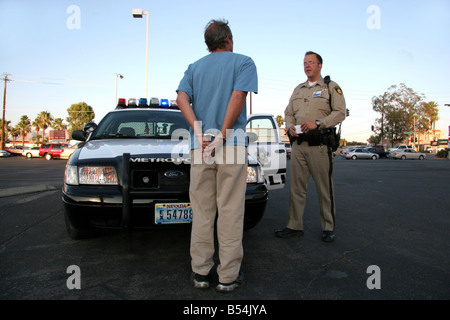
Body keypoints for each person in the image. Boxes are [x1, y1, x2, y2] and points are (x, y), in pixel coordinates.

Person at [176, 19, 258, 292]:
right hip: (231, 144)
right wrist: (223, 133)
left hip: (200, 147)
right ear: (229, 39)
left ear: (208, 44)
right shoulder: (244, 62)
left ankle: (200, 273)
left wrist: (199, 133)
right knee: (230, 211)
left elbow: (181, 99)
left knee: (202, 211)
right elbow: (238, 97)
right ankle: (227, 277)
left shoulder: (193, 68)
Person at [275, 51, 346, 242]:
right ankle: (294, 225)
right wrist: (289, 127)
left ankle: (328, 227)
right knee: (296, 188)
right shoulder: (298, 90)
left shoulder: (331, 87)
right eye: (305, 63)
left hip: (320, 146)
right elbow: (288, 112)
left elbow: (340, 113)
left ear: (320, 65)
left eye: (311, 63)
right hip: (299, 146)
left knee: (325, 189)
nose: (307, 66)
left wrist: (318, 122)